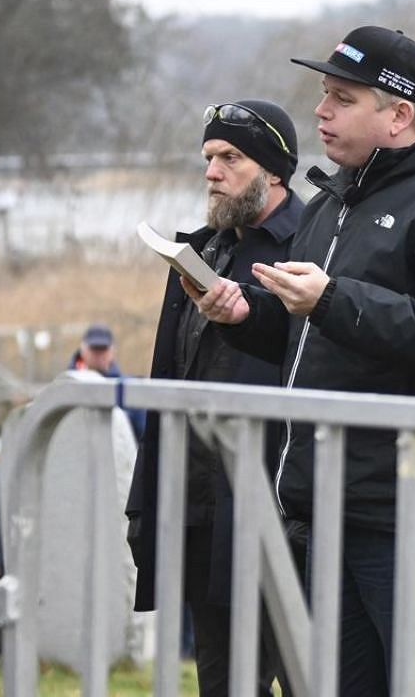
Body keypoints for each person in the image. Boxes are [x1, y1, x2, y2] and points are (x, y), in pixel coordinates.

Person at [191, 27, 415, 695]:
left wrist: (333, 299)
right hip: (326, 509)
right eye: (323, 95)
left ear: (398, 115)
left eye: (342, 98)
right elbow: (313, 338)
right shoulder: (335, 201)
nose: (321, 112)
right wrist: (249, 315)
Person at [125, 99, 304, 695]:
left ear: (275, 171)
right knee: (224, 685)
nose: (212, 172)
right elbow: (169, 375)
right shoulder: (204, 250)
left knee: (312, 676)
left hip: (279, 512)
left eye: (231, 157)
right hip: (202, 509)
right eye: (208, 158)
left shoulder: (315, 246)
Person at [69, 323, 146, 441]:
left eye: (103, 349)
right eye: (94, 349)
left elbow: (142, 436)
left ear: (112, 351)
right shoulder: (67, 388)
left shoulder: (127, 389)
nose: (99, 355)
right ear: (83, 350)